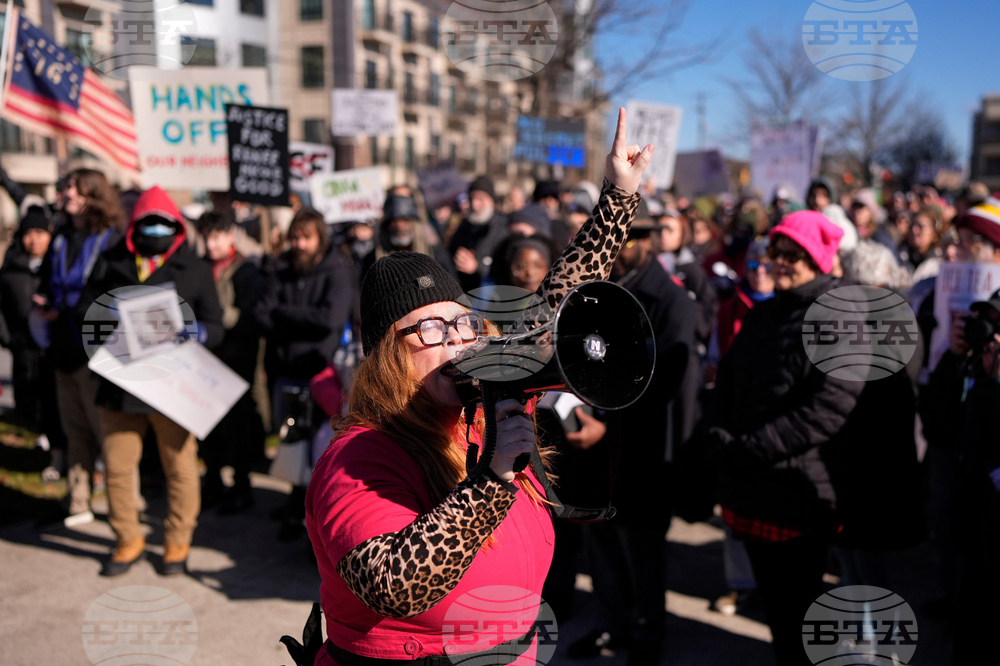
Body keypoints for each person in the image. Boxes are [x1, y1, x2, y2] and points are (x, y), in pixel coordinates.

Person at [297, 109, 652, 666]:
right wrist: (492, 480)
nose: (457, 341)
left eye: (462, 323)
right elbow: (395, 582)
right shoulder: (358, 456)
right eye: (430, 330)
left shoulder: (483, 411)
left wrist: (617, 198)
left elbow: (555, 309)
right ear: (387, 356)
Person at [712, 210, 865, 666]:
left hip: (799, 490)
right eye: (775, 251)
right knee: (777, 610)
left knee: (801, 611)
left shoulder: (840, 316)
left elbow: (828, 407)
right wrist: (719, 431)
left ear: (816, 260)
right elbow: (728, 380)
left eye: (792, 255)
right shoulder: (765, 311)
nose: (778, 261)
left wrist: (750, 449)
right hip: (752, 484)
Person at [567, 209, 696, 665]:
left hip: (641, 447)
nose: (617, 251)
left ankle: (646, 632)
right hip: (594, 444)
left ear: (648, 242)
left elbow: (668, 385)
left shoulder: (672, 301)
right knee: (600, 542)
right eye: (613, 241)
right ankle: (612, 623)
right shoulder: (599, 291)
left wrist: (609, 421)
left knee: (641, 549)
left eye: (627, 241)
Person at [77, 186, 224, 576]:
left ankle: (177, 542)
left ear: (177, 228)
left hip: (173, 386)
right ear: (133, 227)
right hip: (121, 384)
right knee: (118, 466)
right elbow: (83, 310)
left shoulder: (195, 269)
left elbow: (216, 323)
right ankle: (128, 540)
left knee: (181, 466)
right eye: (148, 224)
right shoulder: (111, 261)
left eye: (164, 225)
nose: (156, 232)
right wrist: (108, 317)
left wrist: (199, 333)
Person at [255, 206, 354, 540]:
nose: (298, 243)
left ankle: (314, 512)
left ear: (320, 239)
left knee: (318, 447)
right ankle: (294, 503)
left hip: (320, 372)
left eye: (305, 237)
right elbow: (262, 314)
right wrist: (298, 320)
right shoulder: (282, 267)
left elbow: (330, 318)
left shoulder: (336, 270)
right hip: (285, 369)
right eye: (295, 237)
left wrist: (283, 314)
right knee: (290, 441)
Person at [38, 169, 123, 526]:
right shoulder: (60, 236)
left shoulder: (110, 239)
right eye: (65, 188)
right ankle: (78, 500)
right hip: (61, 346)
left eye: (74, 188)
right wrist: (44, 301)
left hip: (94, 349)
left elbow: (114, 292)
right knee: (74, 431)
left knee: (105, 433)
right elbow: (47, 278)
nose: (67, 193)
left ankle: (124, 507)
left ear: (93, 194)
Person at [196, 211, 265, 514]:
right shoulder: (199, 267)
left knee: (238, 425)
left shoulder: (246, 270)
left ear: (229, 236)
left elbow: (249, 314)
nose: (211, 244)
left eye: (216, 237)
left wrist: (214, 318)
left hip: (237, 357)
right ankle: (212, 482)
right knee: (207, 424)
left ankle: (241, 486)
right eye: (206, 238)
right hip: (205, 357)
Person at [0, 206, 62, 452]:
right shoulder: (11, 269)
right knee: (27, 395)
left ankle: (54, 443)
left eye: (39, 233)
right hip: (22, 345)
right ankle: (34, 437)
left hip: (53, 346)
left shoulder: (57, 266)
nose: (33, 239)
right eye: (28, 233)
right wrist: (8, 338)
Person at [448, 176, 508, 292]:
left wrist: (477, 267)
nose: (475, 204)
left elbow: (505, 268)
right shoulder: (464, 226)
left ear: (491, 200)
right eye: (471, 198)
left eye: (480, 199)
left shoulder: (504, 228)